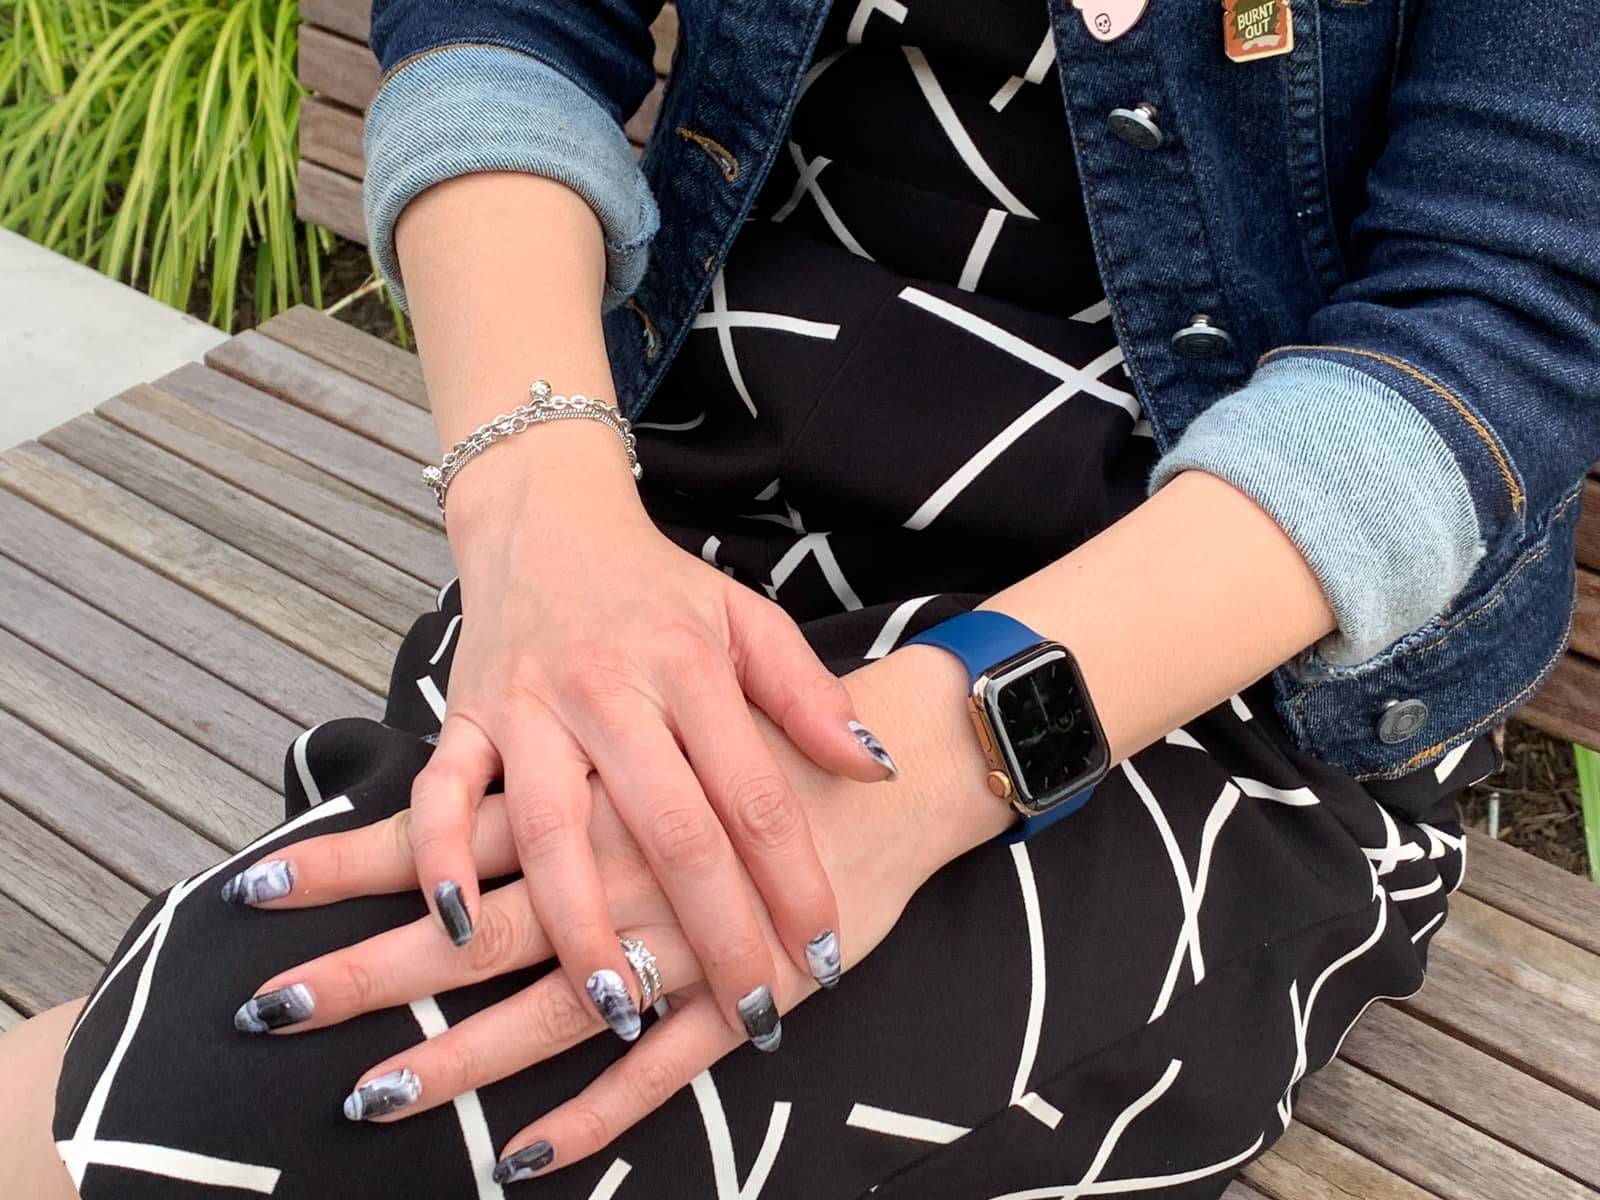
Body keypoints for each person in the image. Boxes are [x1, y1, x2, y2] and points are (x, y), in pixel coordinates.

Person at [4, 0, 1596, 1195]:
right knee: (312, 1030)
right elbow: (503, 19)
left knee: (290, 1092)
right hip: (661, 560)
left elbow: (1501, 310)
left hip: (1201, 689)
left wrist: (944, 757)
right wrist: (538, 508)